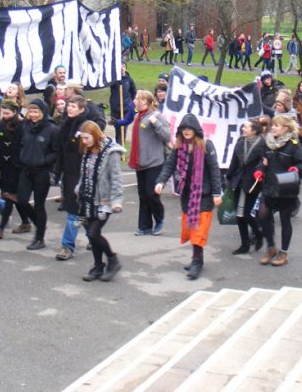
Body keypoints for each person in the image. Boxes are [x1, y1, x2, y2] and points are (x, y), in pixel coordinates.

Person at [155, 114, 222, 280]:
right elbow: (169, 165)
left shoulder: (206, 145)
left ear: (195, 130)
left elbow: (214, 170)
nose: (186, 131)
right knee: (191, 228)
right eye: (183, 129)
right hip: (187, 194)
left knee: (199, 229)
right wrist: (161, 181)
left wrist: (216, 192)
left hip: (203, 195)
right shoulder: (179, 147)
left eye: (189, 129)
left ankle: (197, 262)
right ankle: (196, 258)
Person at [254, 115, 302, 266]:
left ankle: (284, 253)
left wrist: (296, 168)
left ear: (285, 128)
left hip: (285, 187)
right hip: (269, 185)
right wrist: (259, 170)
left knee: (285, 220)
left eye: (276, 126)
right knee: (262, 214)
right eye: (272, 126)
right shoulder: (267, 143)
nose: (272, 128)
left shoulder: (293, 145)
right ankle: (271, 247)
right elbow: (262, 161)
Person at [76, 121, 125, 281]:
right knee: (91, 236)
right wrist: (79, 187)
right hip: (87, 199)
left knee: (93, 233)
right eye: (82, 138)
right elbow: (85, 174)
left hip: (103, 201)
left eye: (87, 138)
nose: (84, 141)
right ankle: (98, 266)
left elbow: (116, 178)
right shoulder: (87, 150)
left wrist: (116, 201)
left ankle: (112, 260)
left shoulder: (111, 152)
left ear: (95, 135)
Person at [127, 91, 171, 236]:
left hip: (154, 162)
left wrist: (155, 123)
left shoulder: (156, 116)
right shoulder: (137, 117)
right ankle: (144, 226)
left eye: (137, 99)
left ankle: (159, 218)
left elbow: (167, 136)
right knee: (143, 195)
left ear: (145, 101)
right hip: (141, 162)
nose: (134, 101)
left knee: (152, 194)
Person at [18, 99, 59, 250]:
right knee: (21, 201)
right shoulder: (25, 127)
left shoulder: (52, 129)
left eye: (36, 112)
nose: (33, 115)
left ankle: (39, 238)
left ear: (43, 112)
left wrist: (43, 161)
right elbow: (20, 144)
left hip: (42, 171)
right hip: (26, 169)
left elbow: (56, 152)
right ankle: (39, 223)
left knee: (39, 205)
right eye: (31, 111)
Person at [0, 100, 31, 238]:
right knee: (13, 196)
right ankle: (26, 222)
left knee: (9, 195)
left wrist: (21, 163)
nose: (5, 115)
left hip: (16, 167)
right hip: (4, 166)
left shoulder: (21, 126)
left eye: (8, 113)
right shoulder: (1, 124)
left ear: (14, 112)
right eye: (3, 112)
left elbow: (24, 146)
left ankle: (1, 227)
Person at [56, 95, 90, 260]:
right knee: (79, 211)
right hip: (68, 173)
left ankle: (67, 246)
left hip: (81, 174)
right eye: (69, 106)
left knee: (73, 211)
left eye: (74, 106)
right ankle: (93, 236)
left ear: (82, 109)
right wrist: (56, 173)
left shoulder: (86, 127)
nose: (69, 108)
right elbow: (61, 151)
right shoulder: (65, 124)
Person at [226, 119, 265, 255]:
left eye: (246, 127)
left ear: (254, 131)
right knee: (239, 215)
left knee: (246, 214)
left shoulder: (261, 144)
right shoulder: (240, 141)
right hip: (239, 180)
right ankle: (245, 244)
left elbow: (264, 161)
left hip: (253, 182)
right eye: (244, 127)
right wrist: (229, 176)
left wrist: (259, 170)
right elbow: (234, 161)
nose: (243, 129)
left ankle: (258, 233)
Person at [108, 62, 137, 145]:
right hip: (115, 108)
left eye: (123, 66)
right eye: (120, 66)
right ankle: (118, 145)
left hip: (126, 108)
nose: (122, 68)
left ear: (125, 68)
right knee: (117, 128)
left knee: (123, 129)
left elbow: (134, 92)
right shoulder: (114, 80)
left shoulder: (129, 80)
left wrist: (131, 104)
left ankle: (120, 148)